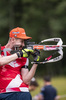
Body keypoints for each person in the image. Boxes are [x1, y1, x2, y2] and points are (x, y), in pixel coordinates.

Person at [0, 27, 40, 100]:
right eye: (21, 41)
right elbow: (1, 61)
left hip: (23, 92)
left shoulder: (23, 56)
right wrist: (18, 54)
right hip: (4, 93)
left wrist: (35, 63)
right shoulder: (1, 50)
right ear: (13, 39)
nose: (23, 44)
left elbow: (26, 81)